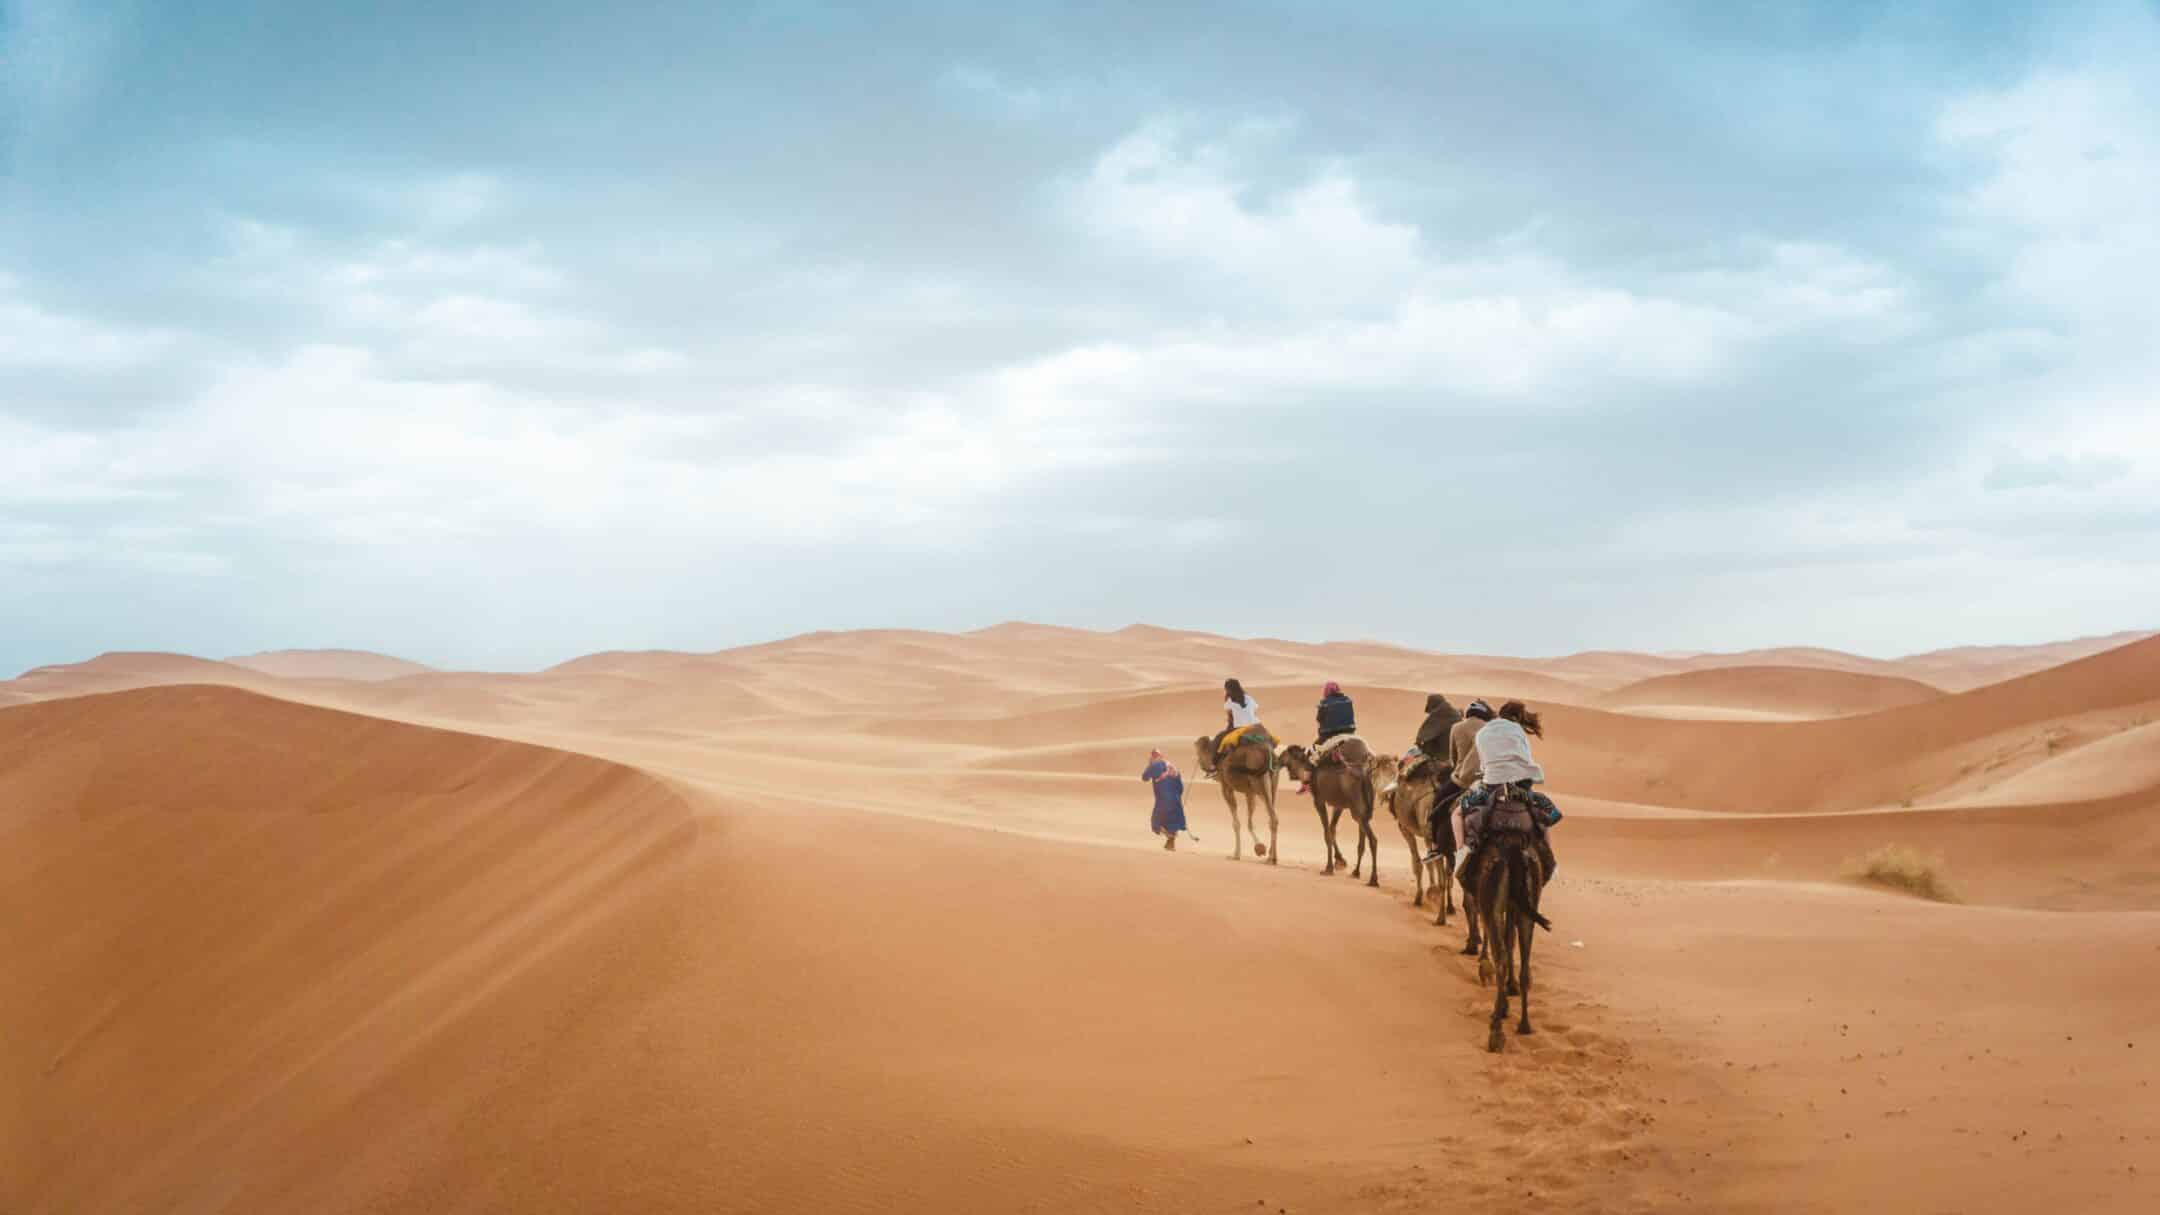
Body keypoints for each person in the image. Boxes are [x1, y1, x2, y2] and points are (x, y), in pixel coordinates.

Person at [1456, 701, 1560, 886]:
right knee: (1541, 818)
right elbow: (1525, 758)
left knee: (1457, 813)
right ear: (1518, 717)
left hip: (1491, 787)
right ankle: (1550, 860)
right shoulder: (1518, 732)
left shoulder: (1483, 732)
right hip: (1521, 786)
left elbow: (1484, 764)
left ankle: (1462, 854)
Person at [1426, 698, 1493, 862]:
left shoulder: (1457, 727)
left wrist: (1460, 769)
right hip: (1489, 780)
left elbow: (1453, 758)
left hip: (1462, 781)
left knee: (1438, 804)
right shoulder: (1490, 729)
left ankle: (1435, 847)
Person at [1207, 678, 1265, 774]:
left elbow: (1230, 715)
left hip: (1237, 728)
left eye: (1226, 689)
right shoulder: (1248, 697)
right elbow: (1255, 710)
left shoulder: (1230, 699)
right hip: (1254, 726)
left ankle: (1214, 766)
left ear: (1229, 689)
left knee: (1218, 739)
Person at [1140, 748, 1188, 849]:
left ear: (1153, 757)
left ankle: (1169, 838)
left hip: (1163, 800)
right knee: (1172, 823)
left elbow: (1144, 777)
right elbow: (1180, 787)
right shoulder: (1172, 766)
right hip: (1175, 799)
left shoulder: (1154, 765)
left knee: (1156, 823)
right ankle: (1170, 844)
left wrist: (1149, 766)